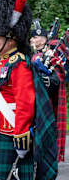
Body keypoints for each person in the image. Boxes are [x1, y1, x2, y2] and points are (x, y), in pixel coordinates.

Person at [0, 0, 58, 180]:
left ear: (12, 39)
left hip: (12, 133)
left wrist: (21, 136)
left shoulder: (19, 64)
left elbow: (25, 102)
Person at [30, 20, 67, 162]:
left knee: (44, 149)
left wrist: (46, 80)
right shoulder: (30, 55)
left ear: (44, 39)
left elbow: (59, 78)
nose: (32, 40)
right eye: (32, 37)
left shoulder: (52, 55)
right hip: (30, 104)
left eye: (35, 37)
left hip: (46, 105)